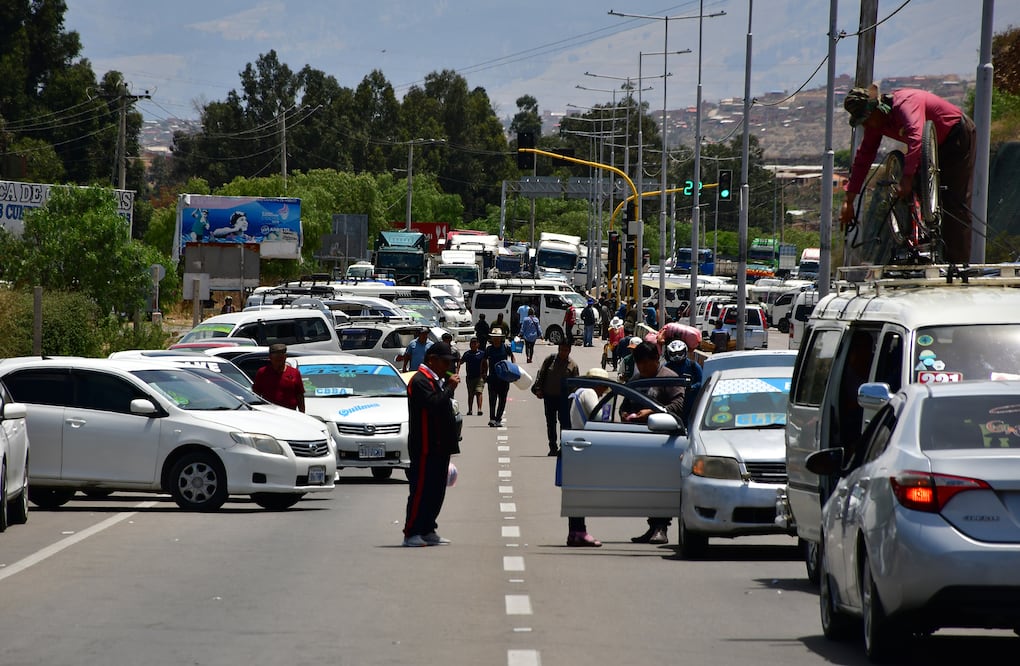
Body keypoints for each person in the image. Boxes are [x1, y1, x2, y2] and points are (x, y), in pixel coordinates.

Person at [840, 83, 976, 264]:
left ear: (877, 109)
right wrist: (848, 201)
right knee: (918, 195)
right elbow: (864, 157)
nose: (865, 125)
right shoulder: (876, 123)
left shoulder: (905, 104)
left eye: (866, 119)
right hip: (929, 149)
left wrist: (907, 178)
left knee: (952, 201)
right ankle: (924, 245)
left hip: (955, 135)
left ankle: (958, 264)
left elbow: (916, 136)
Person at [622, 341, 685, 545]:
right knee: (645, 485)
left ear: (656, 360)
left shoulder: (669, 378)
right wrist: (626, 414)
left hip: (664, 442)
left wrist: (653, 411)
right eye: (639, 365)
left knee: (660, 484)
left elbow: (678, 404)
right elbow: (626, 401)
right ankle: (652, 526)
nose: (642, 369)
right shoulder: (638, 378)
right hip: (640, 440)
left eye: (645, 365)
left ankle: (661, 527)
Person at [403, 342, 461, 547]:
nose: (448, 367)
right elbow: (434, 404)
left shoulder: (436, 379)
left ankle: (428, 528)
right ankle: (411, 532)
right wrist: (448, 387)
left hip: (439, 445)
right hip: (425, 446)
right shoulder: (419, 380)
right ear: (432, 360)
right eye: (445, 362)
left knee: (437, 490)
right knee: (421, 490)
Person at [563, 367, 613, 547]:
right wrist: (607, 410)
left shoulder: (579, 392)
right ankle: (580, 532)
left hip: (575, 441)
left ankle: (575, 531)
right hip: (584, 444)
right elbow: (599, 418)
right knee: (581, 492)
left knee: (576, 491)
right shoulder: (590, 393)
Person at [533, 339, 579, 455]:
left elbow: (576, 384)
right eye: (561, 349)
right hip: (549, 396)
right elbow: (541, 374)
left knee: (564, 423)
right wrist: (538, 389)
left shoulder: (573, 365)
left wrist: (573, 398)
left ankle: (563, 447)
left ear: (569, 351)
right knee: (550, 422)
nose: (563, 352)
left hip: (564, 399)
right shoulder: (550, 360)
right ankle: (552, 447)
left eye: (566, 350)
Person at [252, 343, 305, 412]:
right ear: (270, 358)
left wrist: (302, 413)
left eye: (281, 359)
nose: (279, 363)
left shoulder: (294, 373)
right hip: (269, 412)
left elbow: (299, 395)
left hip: (290, 413)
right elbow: (256, 394)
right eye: (276, 359)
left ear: (285, 357)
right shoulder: (262, 372)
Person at [664, 340, 703, 428]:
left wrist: (691, 387)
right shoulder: (666, 367)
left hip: (690, 401)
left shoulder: (693, 365)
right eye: (674, 354)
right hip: (673, 402)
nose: (677, 356)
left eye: (679, 353)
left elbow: (702, 381)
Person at [480, 329, 515, 427]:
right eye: (494, 338)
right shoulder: (489, 349)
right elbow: (483, 360)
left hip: (504, 379)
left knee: (502, 400)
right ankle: (492, 419)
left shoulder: (505, 347)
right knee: (492, 399)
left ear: (501, 338)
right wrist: (483, 373)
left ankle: (498, 419)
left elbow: (512, 357)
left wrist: (513, 368)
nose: (495, 339)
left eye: (497, 338)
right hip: (492, 378)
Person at [460, 337, 486, 415]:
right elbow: (461, 362)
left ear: (478, 344)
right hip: (470, 377)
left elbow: (485, 363)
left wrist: (485, 373)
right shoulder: (467, 354)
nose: (474, 345)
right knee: (470, 394)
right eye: (472, 343)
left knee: (479, 392)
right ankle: (470, 410)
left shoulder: (482, 353)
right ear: (470, 344)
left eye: (475, 343)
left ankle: (479, 409)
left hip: (479, 377)